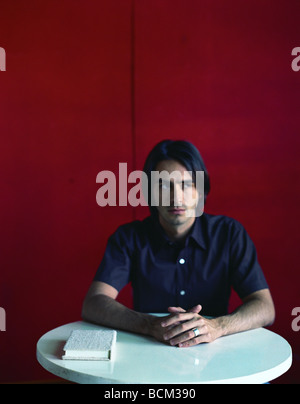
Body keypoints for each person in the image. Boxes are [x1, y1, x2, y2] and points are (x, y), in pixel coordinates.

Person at [82, 140, 275, 348]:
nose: (176, 197)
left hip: (215, 356)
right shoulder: (129, 237)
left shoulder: (229, 234)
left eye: (186, 184)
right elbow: (94, 303)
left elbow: (265, 307)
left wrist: (217, 327)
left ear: (201, 190)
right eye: (163, 186)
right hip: (149, 355)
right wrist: (150, 324)